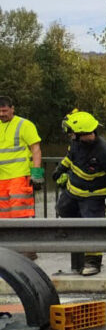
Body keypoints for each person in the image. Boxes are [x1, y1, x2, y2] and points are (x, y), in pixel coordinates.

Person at [55, 111, 106, 276]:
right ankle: (78, 256)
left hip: (93, 197)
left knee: (92, 227)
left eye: (72, 132)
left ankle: (92, 262)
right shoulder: (76, 143)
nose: (70, 135)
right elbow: (70, 157)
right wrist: (61, 168)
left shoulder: (105, 152)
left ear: (82, 132)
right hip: (72, 192)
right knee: (64, 212)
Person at [0, 96, 42, 258]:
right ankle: (8, 250)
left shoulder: (24, 125)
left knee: (22, 213)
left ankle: (28, 249)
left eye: (4, 111)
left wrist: (37, 174)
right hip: (2, 178)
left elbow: (35, 149)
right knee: (3, 216)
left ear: (12, 108)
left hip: (19, 176)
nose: (2, 114)